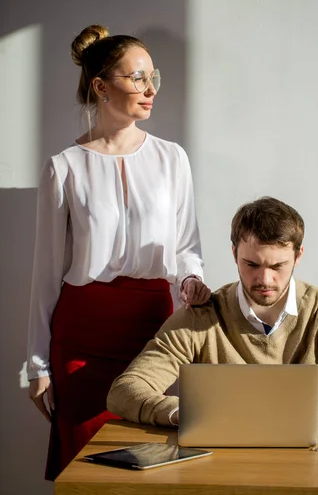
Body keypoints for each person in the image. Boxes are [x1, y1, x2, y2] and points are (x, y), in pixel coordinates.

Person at [27, 24, 211, 480]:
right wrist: (35, 365)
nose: (151, 90)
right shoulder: (64, 168)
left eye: (154, 79)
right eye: (138, 78)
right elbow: (46, 274)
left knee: (155, 467)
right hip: (81, 335)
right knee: (88, 473)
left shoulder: (173, 159)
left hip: (154, 333)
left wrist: (190, 281)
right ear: (100, 86)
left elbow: (187, 246)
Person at [107, 196, 318, 431]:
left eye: (277, 266)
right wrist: (180, 413)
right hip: (215, 463)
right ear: (234, 253)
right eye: (252, 264)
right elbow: (124, 391)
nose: (265, 279)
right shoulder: (200, 317)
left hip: (309, 462)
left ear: (298, 256)